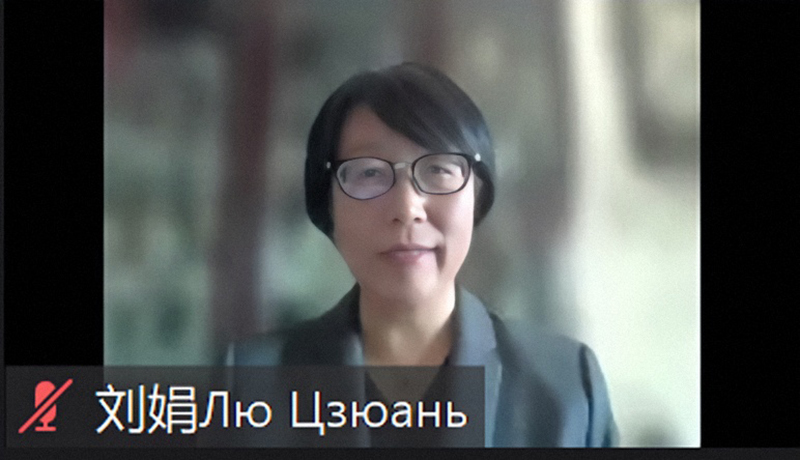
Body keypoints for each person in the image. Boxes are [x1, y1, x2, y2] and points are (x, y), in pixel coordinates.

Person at [228, 62, 618, 447]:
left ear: (478, 194)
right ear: (327, 203)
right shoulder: (247, 383)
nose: (407, 207)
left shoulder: (567, 387)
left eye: (438, 170)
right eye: (369, 173)